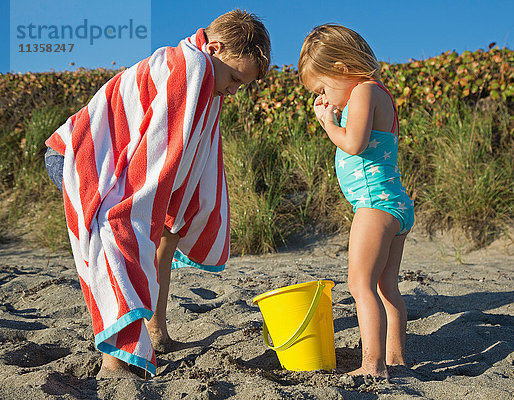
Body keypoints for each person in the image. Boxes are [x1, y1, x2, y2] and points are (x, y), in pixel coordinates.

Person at [44, 9, 271, 379]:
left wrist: (178, 207)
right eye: (234, 78)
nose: (233, 90)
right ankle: (115, 359)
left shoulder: (205, 76)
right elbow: (154, 152)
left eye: (241, 85)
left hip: (114, 160)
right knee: (121, 231)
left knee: (168, 230)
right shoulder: (189, 68)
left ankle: (156, 333)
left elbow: (181, 151)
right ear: (213, 49)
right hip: (78, 156)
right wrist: (133, 213)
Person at [298, 24, 415, 378]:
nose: (325, 98)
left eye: (323, 88)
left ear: (342, 70)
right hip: (392, 203)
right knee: (386, 286)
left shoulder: (364, 91)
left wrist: (327, 122)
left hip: (374, 204)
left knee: (359, 284)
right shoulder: (376, 93)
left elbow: (353, 144)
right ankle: (395, 357)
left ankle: (373, 364)